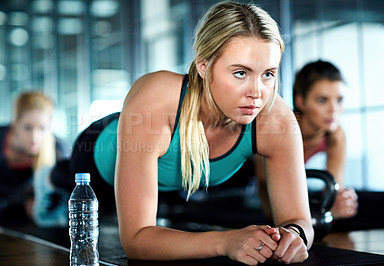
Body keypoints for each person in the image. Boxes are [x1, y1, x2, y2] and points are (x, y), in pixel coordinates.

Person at [57, 2, 313, 264]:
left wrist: (294, 235)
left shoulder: (276, 118)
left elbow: (301, 221)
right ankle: (49, 179)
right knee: (63, 187)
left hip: (176, 184)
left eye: (268, 74)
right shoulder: (154, 99)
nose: (257, 93)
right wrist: (226, 241)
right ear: (203, 65)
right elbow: (135, 240)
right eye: (240, 73)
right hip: (98, 160)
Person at [0, 91, 69, 225]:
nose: (34, 137)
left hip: (35, 233)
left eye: (42, 128)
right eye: (28, 128)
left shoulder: (58, 150)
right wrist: (20, 210)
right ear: (15, 123)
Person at [292, 60, 358, 220]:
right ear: (301, 102)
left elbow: (333, 193)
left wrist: (341, 204)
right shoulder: (280, 129)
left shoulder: (336, 134)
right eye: (322, 100)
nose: (333, 109)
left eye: (339, 100)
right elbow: (266, 195)